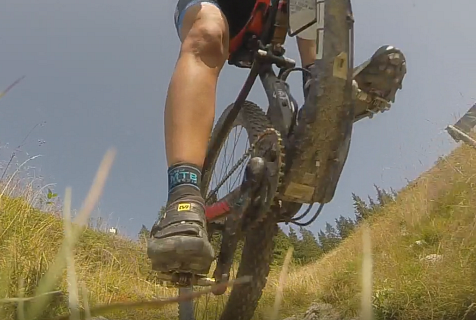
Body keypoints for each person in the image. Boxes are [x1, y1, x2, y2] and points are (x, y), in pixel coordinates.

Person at [147, 0, 407, 276]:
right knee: (207, 33)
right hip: (216, 7)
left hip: (276, 14)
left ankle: (323, 91)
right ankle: (183, 195)